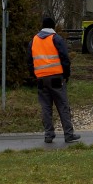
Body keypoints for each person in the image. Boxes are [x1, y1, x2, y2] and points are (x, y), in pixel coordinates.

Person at [30, 16, 81, 144]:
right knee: (62, 106)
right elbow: (65, 58)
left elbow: (29, 61)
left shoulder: (34, 40)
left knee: (46, 107)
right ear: (53, 26)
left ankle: (48, 135)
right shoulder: (56, 38)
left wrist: (34, 75)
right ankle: (68, 134)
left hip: (41, 78)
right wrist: (66, 74)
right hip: (56, 77)